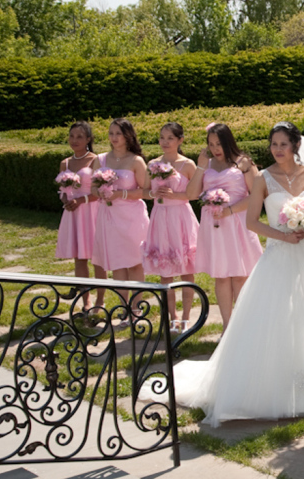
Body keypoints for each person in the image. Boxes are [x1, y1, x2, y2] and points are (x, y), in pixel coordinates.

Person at [156, 122, 304, 424]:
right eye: (273, 144)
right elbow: (252, 222)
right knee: (276, 316)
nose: (277, 149)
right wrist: (283, 235)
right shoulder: (262, 178)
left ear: (295, 146)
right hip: (278, 251)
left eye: (283, 144)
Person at [187, 123, 263, 329]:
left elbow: (257, 194)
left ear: (228, 142)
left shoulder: (244, 162)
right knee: (221, 277)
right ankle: (227, 327)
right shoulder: (207, 164)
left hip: (237, 223)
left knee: (239, 276)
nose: (215, 149)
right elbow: (192, 194)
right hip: (214, 226)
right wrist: (201, 166)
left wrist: (230, 210)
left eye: (219, 144)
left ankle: (244, 326)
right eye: (211, 144)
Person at [142, 122, 200, 332]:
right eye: (162, 138)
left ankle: (186, 316)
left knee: (186, 269)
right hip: (160, 216)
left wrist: (175, 196)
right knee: (165, 272)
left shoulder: (188, 165)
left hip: (181, 217)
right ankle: (172, 316)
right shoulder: (152, 164)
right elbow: (145, 191)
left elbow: (197, 193)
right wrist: (153, 194)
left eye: (170, 138)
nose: (165, 142)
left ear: (180, 140)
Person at [90, 119, 150, 296]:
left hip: (132, 216)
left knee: (134, 261)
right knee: (117, 261)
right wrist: (100, 192)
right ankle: (123, 307)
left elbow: (146, 191)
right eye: (111, 133)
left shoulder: (136, 161)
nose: (114, 137)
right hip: (109, 216)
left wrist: (121, 194)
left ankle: (137, 306)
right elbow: (92, 186)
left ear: (128, 136)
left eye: (118, 133)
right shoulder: (100, 160)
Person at [54, 121, 105, 309]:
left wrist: (82, 200)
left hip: (91, 210)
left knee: (98, 257)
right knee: (79, 257)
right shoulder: (65, 163)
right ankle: (86, 301)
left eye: (80, 137)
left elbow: (101, 189)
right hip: (73, 214)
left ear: (88, 139)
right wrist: (64, 200)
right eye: (72, 136)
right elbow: (62, 190)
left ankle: (100, 301)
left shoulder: (96, 160)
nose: (74, 140)